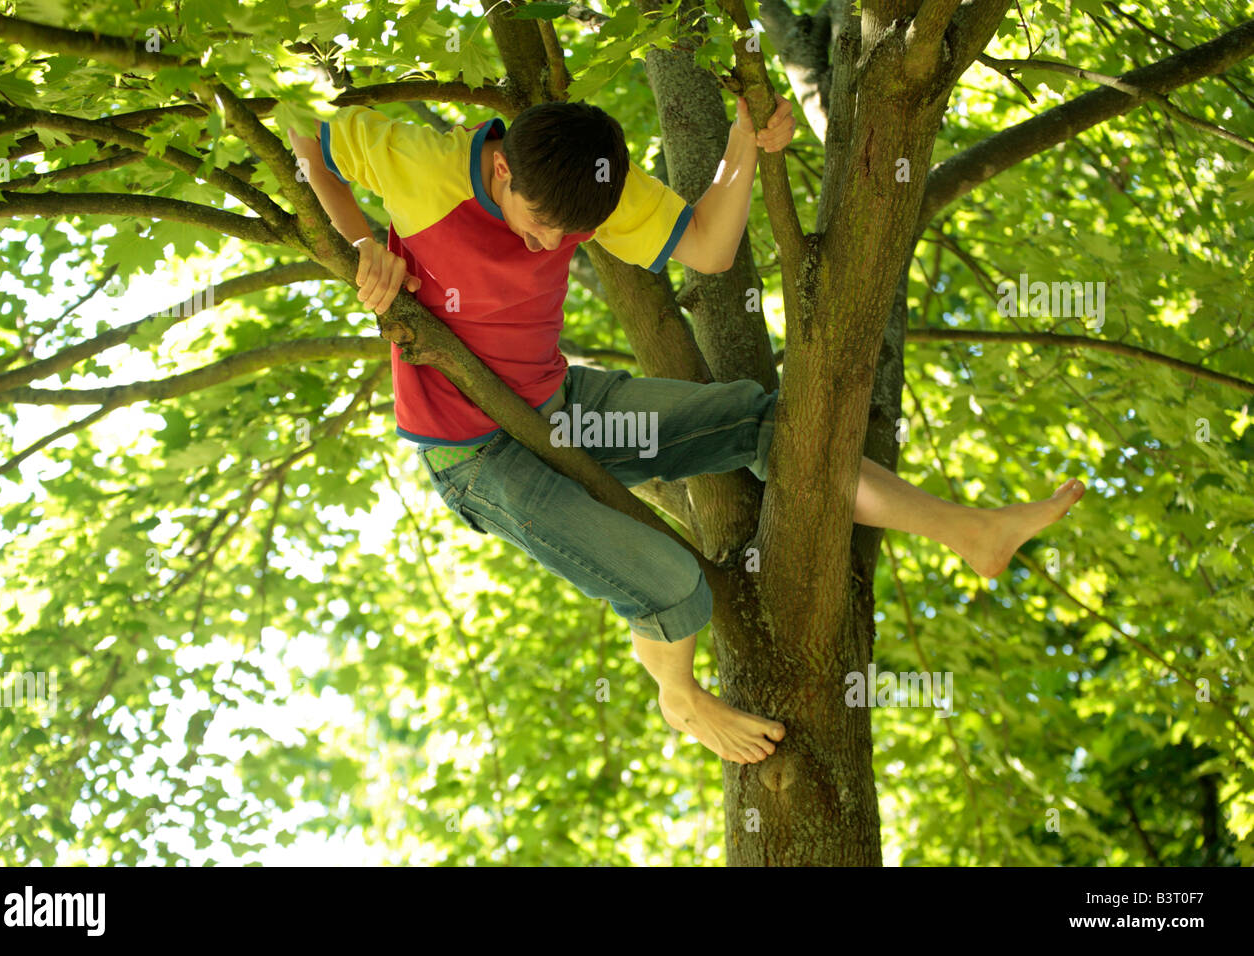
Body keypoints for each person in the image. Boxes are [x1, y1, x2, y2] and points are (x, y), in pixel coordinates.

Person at [287, 96, 1085, 765]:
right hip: (474, 451)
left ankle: (973, 532)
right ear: (501, 169)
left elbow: (708, 245)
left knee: (761, 419)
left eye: (571, 237)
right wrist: (361, 242)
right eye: (537, 225)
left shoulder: (597, 189)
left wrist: (744, 142)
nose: (548, 246)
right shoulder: (414, 160)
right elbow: (304, 136)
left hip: (562, 408)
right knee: (674, 587)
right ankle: (681, 697)